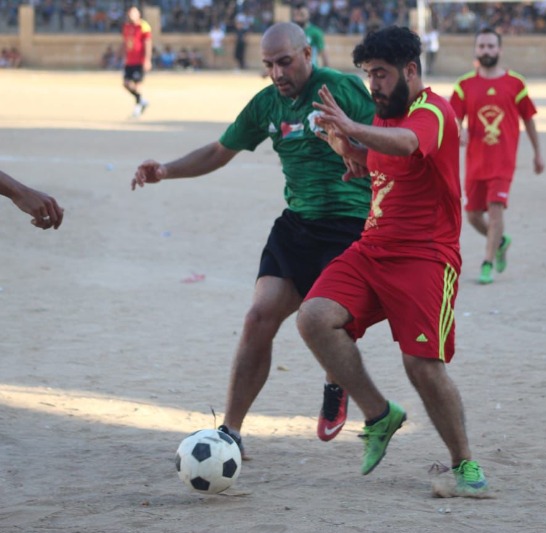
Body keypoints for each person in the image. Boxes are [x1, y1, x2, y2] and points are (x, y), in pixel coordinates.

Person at [130, 22, 375, 453]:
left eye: (284, 62)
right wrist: (166, 170)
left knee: (326, 322)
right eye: (268, 65)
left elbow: (386, 140)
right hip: (297, 225)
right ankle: (231, 431)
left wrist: (358, 150)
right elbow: (218, 151)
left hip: (349, 224)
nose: (277, 74)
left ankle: (336, 382)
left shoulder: (342, 89)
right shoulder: (266, 105)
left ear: (307, 55)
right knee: (257, 317)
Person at [296, 25, 488, 497]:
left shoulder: (433, 113)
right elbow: (379, 161)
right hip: (372, 249)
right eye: (367, 76)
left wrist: (351, 126)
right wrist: (348, 149)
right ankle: (380, 415)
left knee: (421, 365)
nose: (373, 86)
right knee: (313, 318)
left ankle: (465, 465)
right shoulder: (384, 115)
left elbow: (405, 144)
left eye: (380, 75)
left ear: (410, 70)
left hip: (425, 258)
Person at [450, 28, 544, 285]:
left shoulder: (516, 83)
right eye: (482, 46)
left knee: (495, 212)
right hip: (476, 162)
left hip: (503, 162)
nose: (486, 51)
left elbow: (529, 120)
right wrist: (459, 132)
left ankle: (487, 263)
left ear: (500, 50)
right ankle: (501, 241)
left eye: (491, 46)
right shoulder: (464, 85)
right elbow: (454, 119)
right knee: (472, 215)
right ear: (476, 51)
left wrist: (538, 153)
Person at [120, 6, 152, 118]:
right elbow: (125, 42)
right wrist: (121, 54)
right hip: (129, 61)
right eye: (129, 13)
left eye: (133, 13)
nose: (131, 15)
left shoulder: (143, 26)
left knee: (137, 84)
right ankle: (142, 100)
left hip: (139, 60)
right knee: (126, 83)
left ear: (138, 14)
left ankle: (137, 108)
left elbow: (147, 43)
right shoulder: (126, 26)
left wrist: (147, 59)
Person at [292, 3, 328, 68]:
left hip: (311, 71)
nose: (298, 18)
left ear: (308, 15)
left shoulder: (315, 32)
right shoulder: (290, 32)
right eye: (296, 15)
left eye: (302, 15)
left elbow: (323, 54)